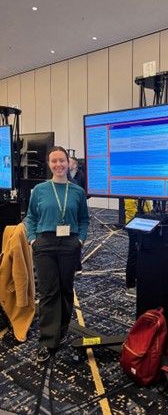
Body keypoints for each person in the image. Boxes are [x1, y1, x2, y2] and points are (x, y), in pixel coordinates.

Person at [26, 146, 89, 362]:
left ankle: (61, 326)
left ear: (68, 162)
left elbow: (84, 219)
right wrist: (33, 239)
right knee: (48, 291)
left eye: (62, 160)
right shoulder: (40, 190)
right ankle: (48, 340)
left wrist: (80, 240)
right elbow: (31, 217)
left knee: (64, 288)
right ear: (49, 164)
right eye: (54, 161)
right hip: (45, 243)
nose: (58, 165)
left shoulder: (78, 192)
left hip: (69, 243)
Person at [124, 198, 152, 296]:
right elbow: (132, 207)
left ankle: (138, 280)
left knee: (142, 253)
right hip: (134, 224)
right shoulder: (131, 189)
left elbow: (146, 206)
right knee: (134, 254)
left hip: (142, 222)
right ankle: (130, 286)